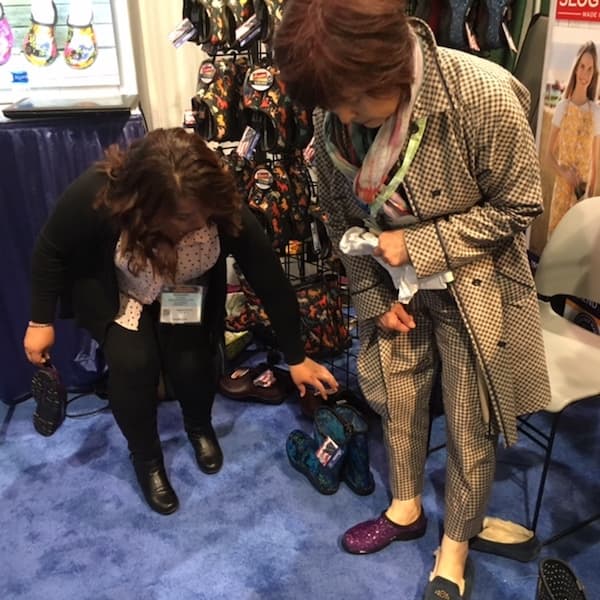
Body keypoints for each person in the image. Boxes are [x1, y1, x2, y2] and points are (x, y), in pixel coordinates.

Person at [273, 2, 551, 599]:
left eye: (352, 102)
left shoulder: (484, 93)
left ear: (390, 67)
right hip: (393, 290)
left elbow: (520, 204)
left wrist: (421, 244)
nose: (343, 117)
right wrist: (372, 296)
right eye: (333, 106)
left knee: (470, 418)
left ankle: (457, 542)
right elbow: (342, 220)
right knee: (399, 400)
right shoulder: (333, 120)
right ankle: (405, 507)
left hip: (475, 287)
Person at [23, 127, 338, 516]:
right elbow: (50, 249)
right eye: (183, 216)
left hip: (182, 290)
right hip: (124, 292)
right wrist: (39, 322)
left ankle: (199, 426)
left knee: (193, 362)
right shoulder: (100, 191)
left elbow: (270, 280)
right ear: (144, 203)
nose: (199, 221)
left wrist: (296, 357)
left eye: (202, 210)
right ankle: (147, 458)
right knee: (133, 364)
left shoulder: (220, 208)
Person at [547, 40, 599, 237]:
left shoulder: (596, 113)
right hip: (561, 191)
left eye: (590, 69)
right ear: (576, 68)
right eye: (582, 67)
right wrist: (564, 173)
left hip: (581, 197)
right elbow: (548, 155)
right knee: (556, 242)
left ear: (594, 74)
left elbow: (595, 166)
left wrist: (588, 199)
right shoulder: (563, 107)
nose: (585, 73)